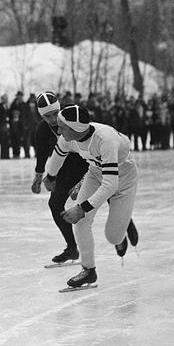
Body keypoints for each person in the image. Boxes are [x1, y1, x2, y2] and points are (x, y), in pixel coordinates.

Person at [43, 106, 139, 291]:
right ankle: (88, 269)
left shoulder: (105, 140)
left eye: (62, 127)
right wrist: (51, 176)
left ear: (75, 128)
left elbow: (111, 184)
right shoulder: (69, 137)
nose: (58, 130)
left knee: (112, 236)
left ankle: (124, 224)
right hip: (95, 173)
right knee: (81, 222)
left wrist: (81, 208)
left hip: (124, 180)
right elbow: (58, 155)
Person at [31, 92, 89, 266]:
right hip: (64, 165)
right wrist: (39, 176)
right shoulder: (42, 129)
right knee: (54, 204)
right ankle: (72, 247)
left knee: (105, 193)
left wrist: (83, 181)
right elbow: (41, 154)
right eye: (47, 116)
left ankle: (124, 223)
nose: (53, 119)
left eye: (55, 113)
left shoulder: (72, 114)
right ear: (41, 116)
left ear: (60, 108)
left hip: (86, 160)